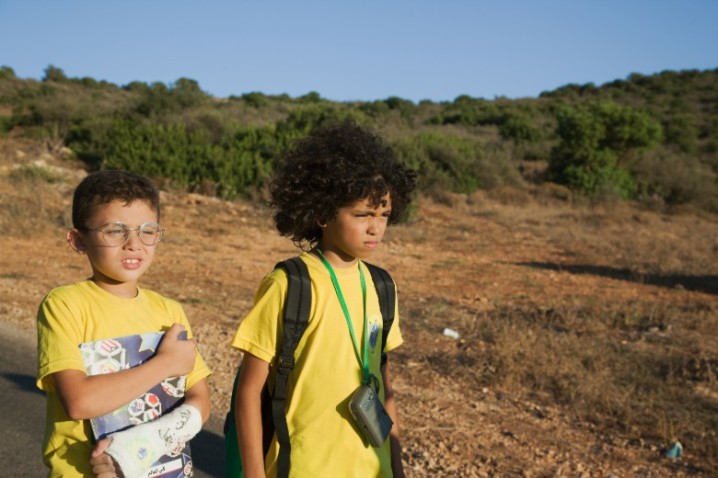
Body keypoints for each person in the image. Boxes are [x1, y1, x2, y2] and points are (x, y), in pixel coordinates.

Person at [232, 120, 417, 477]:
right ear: (321, 214)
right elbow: (249, 392)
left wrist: (396, 468)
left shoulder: (382, 286)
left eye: (384, 215)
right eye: (362, 214)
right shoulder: (289, 284)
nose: (376, 227)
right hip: (301, 467)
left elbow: (385, 386)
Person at [36, 169, 211, 477]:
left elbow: (200, 401)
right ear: (78, 240)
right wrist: (164, 364)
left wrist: (133, 451)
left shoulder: (170, 312)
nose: (134, 243)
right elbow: (80, 401)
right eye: (115, 231)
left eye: (147, 230)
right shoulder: (65, 305)